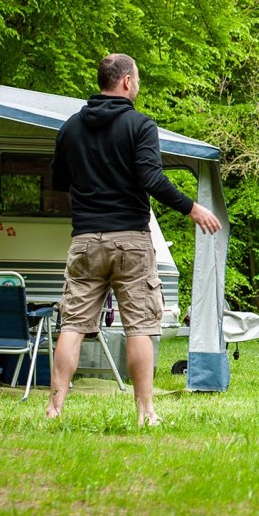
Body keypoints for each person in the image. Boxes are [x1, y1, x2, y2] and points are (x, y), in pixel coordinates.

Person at [46, 54, 220, 426]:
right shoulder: (140, 125)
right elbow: (151, 179)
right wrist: (194, 209)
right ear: (126, 81)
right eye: (136, 80)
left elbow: (59, 181)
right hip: (131, 241)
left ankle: (54, 410)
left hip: (85, 239)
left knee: (73, 325)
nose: (137, 85)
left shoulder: (70, 128)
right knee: (140, 325)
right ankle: (145, 412)